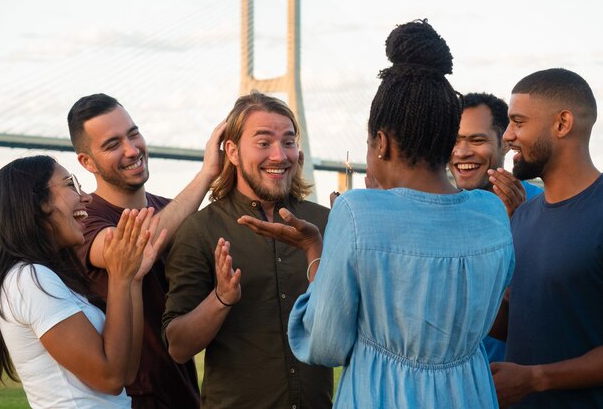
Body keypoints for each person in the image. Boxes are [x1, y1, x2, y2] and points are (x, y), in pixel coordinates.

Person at [239, 20, 515, 408]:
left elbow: (325, 343)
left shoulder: (357, 212)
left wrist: (315, 251)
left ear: (381, 144)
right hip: (470, 392)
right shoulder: (491, 213)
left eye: (370, 144)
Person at [162, 92, 333, 408]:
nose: (280, 155)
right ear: (232, 151)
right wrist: (221, 298)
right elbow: (178, 346)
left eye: (289, 142)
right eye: (264, 143)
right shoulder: (199, 230)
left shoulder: (327, 222)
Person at [67, 94, 224, 408]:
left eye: (133, 133)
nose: (132, 149)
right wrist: (207, 174)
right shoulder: (83, 222)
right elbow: (133, 252)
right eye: (112, 145)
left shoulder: (173, 210)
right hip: (130, 398)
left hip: (187, 394)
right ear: (87, 162)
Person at [0, 155, 164, 408]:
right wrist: (119, 277)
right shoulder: (29, 279)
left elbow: (128, 372)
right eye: (70, 184)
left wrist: (132, 279)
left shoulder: (44, 278)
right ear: (39, 203)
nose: (85, 197)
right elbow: (110, 378)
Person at [490, 68, 603, 408]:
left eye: (518, 122)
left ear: (562, 124)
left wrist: (536, 378)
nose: (508, 136)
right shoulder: (522, 216)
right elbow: (518, 317)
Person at [448, 92, 543, 363]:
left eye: (477, 140)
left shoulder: (539, 205)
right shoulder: (435, 212)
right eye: (453, 140)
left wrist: (517, 223)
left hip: (515, 384)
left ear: (505, 144)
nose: (462, 151)